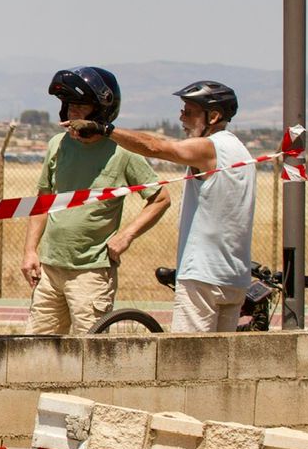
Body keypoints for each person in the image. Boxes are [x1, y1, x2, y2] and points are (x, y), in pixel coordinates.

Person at [66, 80, 254, 334]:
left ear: (214, 116)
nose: (182, 118)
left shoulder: (210, 147)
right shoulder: (240, 150)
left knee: (189, 361)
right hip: (234, 276)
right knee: (219, 361)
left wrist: (105, 129)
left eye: (188, 111)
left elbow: (157, 147)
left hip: (203, 275)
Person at [21, 67, 169, 335]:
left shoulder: (123, 151)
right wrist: (30, 250)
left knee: (88, 352)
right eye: (69, 106)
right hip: (50, 269)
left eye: (81, 106)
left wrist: (126, 236)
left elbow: (160, 199)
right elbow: (43, 200)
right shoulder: (57, 144)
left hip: (92, 273)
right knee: (35, 346)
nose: (72, 113)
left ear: (101, 109)